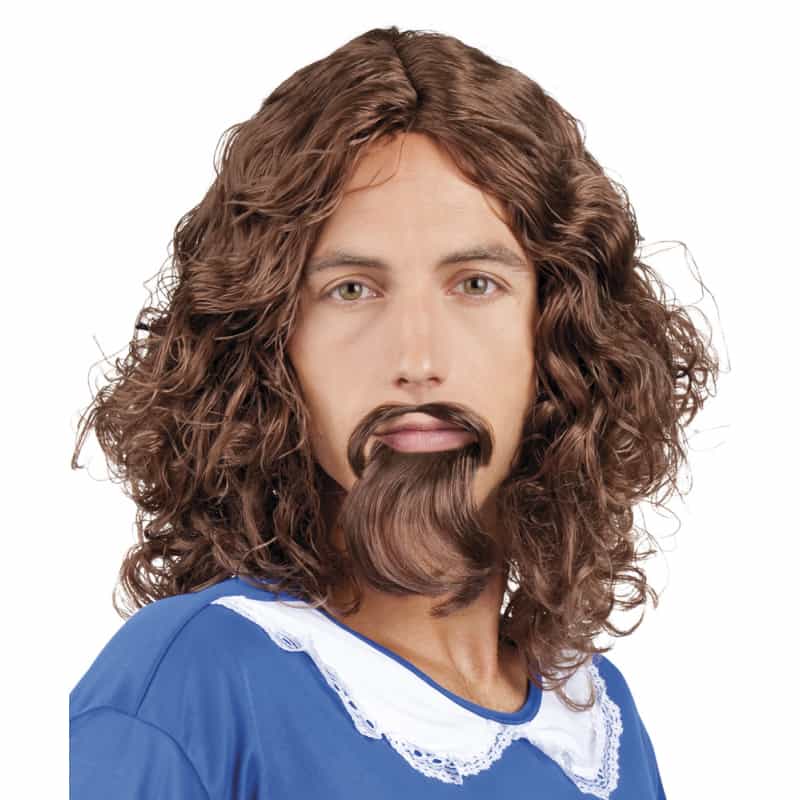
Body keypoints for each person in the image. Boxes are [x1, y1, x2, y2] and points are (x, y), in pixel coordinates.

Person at [69, 25, 719, 799]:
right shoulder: (190, 687)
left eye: (475, 284)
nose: (416, 360)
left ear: (558, 339)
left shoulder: (595, 724)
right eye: (352, 290)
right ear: (270, 345)